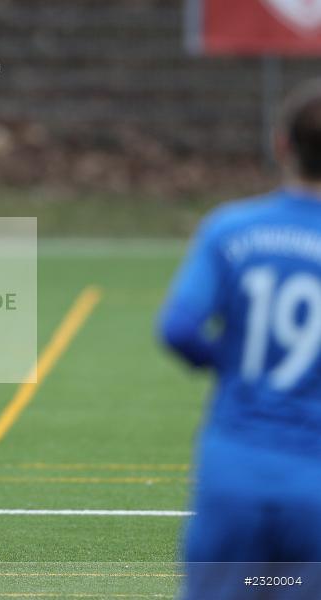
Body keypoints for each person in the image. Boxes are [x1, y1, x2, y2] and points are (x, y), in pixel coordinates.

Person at [158, 79, 321, 599]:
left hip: (236, 465)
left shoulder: (230, 229)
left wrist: (232, 362)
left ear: (281, 145)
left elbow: (179, 328)